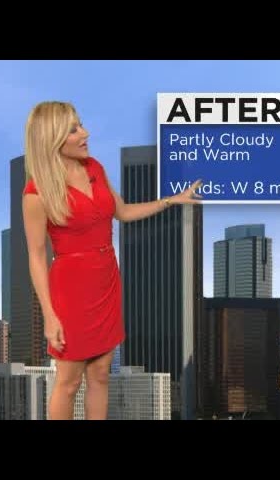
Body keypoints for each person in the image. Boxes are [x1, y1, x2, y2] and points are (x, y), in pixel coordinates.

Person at [22, 101, 202, 420]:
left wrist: (171, 200)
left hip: (106, 280)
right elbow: (36, 256)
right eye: (74, 130)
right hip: (71, 290)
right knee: (68, 382)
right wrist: (49, 315)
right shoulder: (36, 193)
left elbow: (123, 212)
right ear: (52, 138)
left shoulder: (95, 168)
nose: (86, 133)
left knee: (101, 373)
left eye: (81, 124)